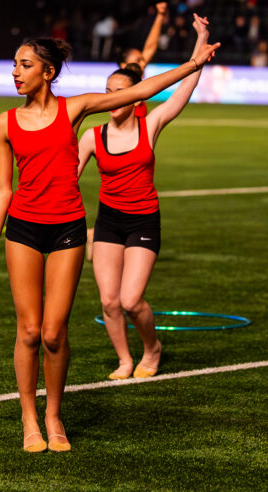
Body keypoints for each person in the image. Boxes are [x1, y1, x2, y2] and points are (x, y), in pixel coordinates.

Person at [0, 19, 218, 452]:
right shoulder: (4, 123)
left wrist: (192, 63)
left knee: (54, 332)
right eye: (14, 64)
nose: (15, 72)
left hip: (68, 228)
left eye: (25, 64)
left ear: (47, 72)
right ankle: (29, 419)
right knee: (28, 331)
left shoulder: (75, 109)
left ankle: (54, 416)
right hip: (23, 230)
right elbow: (1, 189)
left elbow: (139, 92)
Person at [76, 36, 205, 381]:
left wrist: (200, 49)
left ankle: (152, 348)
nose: (111, 98)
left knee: (131, 300)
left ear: (135, 97)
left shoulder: (150, 125)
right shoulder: (92, 136)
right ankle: (124, 360)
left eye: (119, 91)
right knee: (109, 301)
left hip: (143, 221)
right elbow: (65, 177)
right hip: (109, 222)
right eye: (107, 91)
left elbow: (181, 92)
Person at [119, 2, 167, 71]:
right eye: (138, 60)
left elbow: (150, 47)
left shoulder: (138, 78)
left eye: (142, 60)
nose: (143, 64)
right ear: (123, 65)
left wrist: (160, 15)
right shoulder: (118, 80)